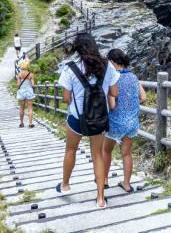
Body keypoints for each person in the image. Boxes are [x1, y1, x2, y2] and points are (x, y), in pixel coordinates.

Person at [57, 33, 119, 209]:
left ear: (78, 49)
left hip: (77, 118)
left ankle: (65, 185)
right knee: (97, 154)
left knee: (70, 150)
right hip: (99, 119)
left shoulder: (70, 69)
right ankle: (100, 198)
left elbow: (66, 98)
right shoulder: (108, 67)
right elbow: (114, 93)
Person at [102, 48, 146, 194]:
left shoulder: (112, 78)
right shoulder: (133, 77)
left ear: (113, 62)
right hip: (131, 123)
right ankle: (126, 184)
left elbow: (112, 105)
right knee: (126, 154)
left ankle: (105, 180)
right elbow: (143, 98)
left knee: (106, 151)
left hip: (115, 122)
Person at [15, 58, 35, 128]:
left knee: (21, 108)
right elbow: (33, 85)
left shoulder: (19, 74)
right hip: (29, 91)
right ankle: (30, 123)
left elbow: (18, 85)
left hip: (22, 91)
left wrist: (18, 89)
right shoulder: (31, 74)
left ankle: (21, 123)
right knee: (30, 108)